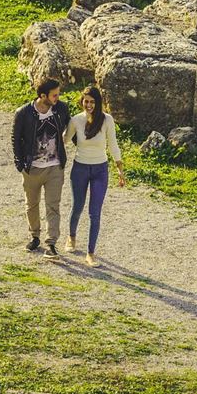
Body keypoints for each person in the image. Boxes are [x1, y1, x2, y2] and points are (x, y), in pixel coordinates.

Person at [64, 86, 124, 267]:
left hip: (100, 170)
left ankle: (91, 253)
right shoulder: (76, 120)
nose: (88, 104)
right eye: (86, 101)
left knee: (95, 213)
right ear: (82, 101)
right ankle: (71, 237)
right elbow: (65, 140)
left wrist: (120, 169)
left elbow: (113, 145)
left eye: (92, 101)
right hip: (80, 168)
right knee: (77, 206)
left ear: (98, 103)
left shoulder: (107, 120)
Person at [12, 78, 71, 260]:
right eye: (54, 95)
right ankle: (34, 236)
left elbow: (73, 129)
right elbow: (16, 139)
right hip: (32, 168)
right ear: (43, 96)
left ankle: (51, 243)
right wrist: (20, 164)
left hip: (54, 167)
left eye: (58, 94)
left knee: (53, 206)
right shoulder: (23, 113)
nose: (57, 98)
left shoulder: (61, 109)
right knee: (32, 205)